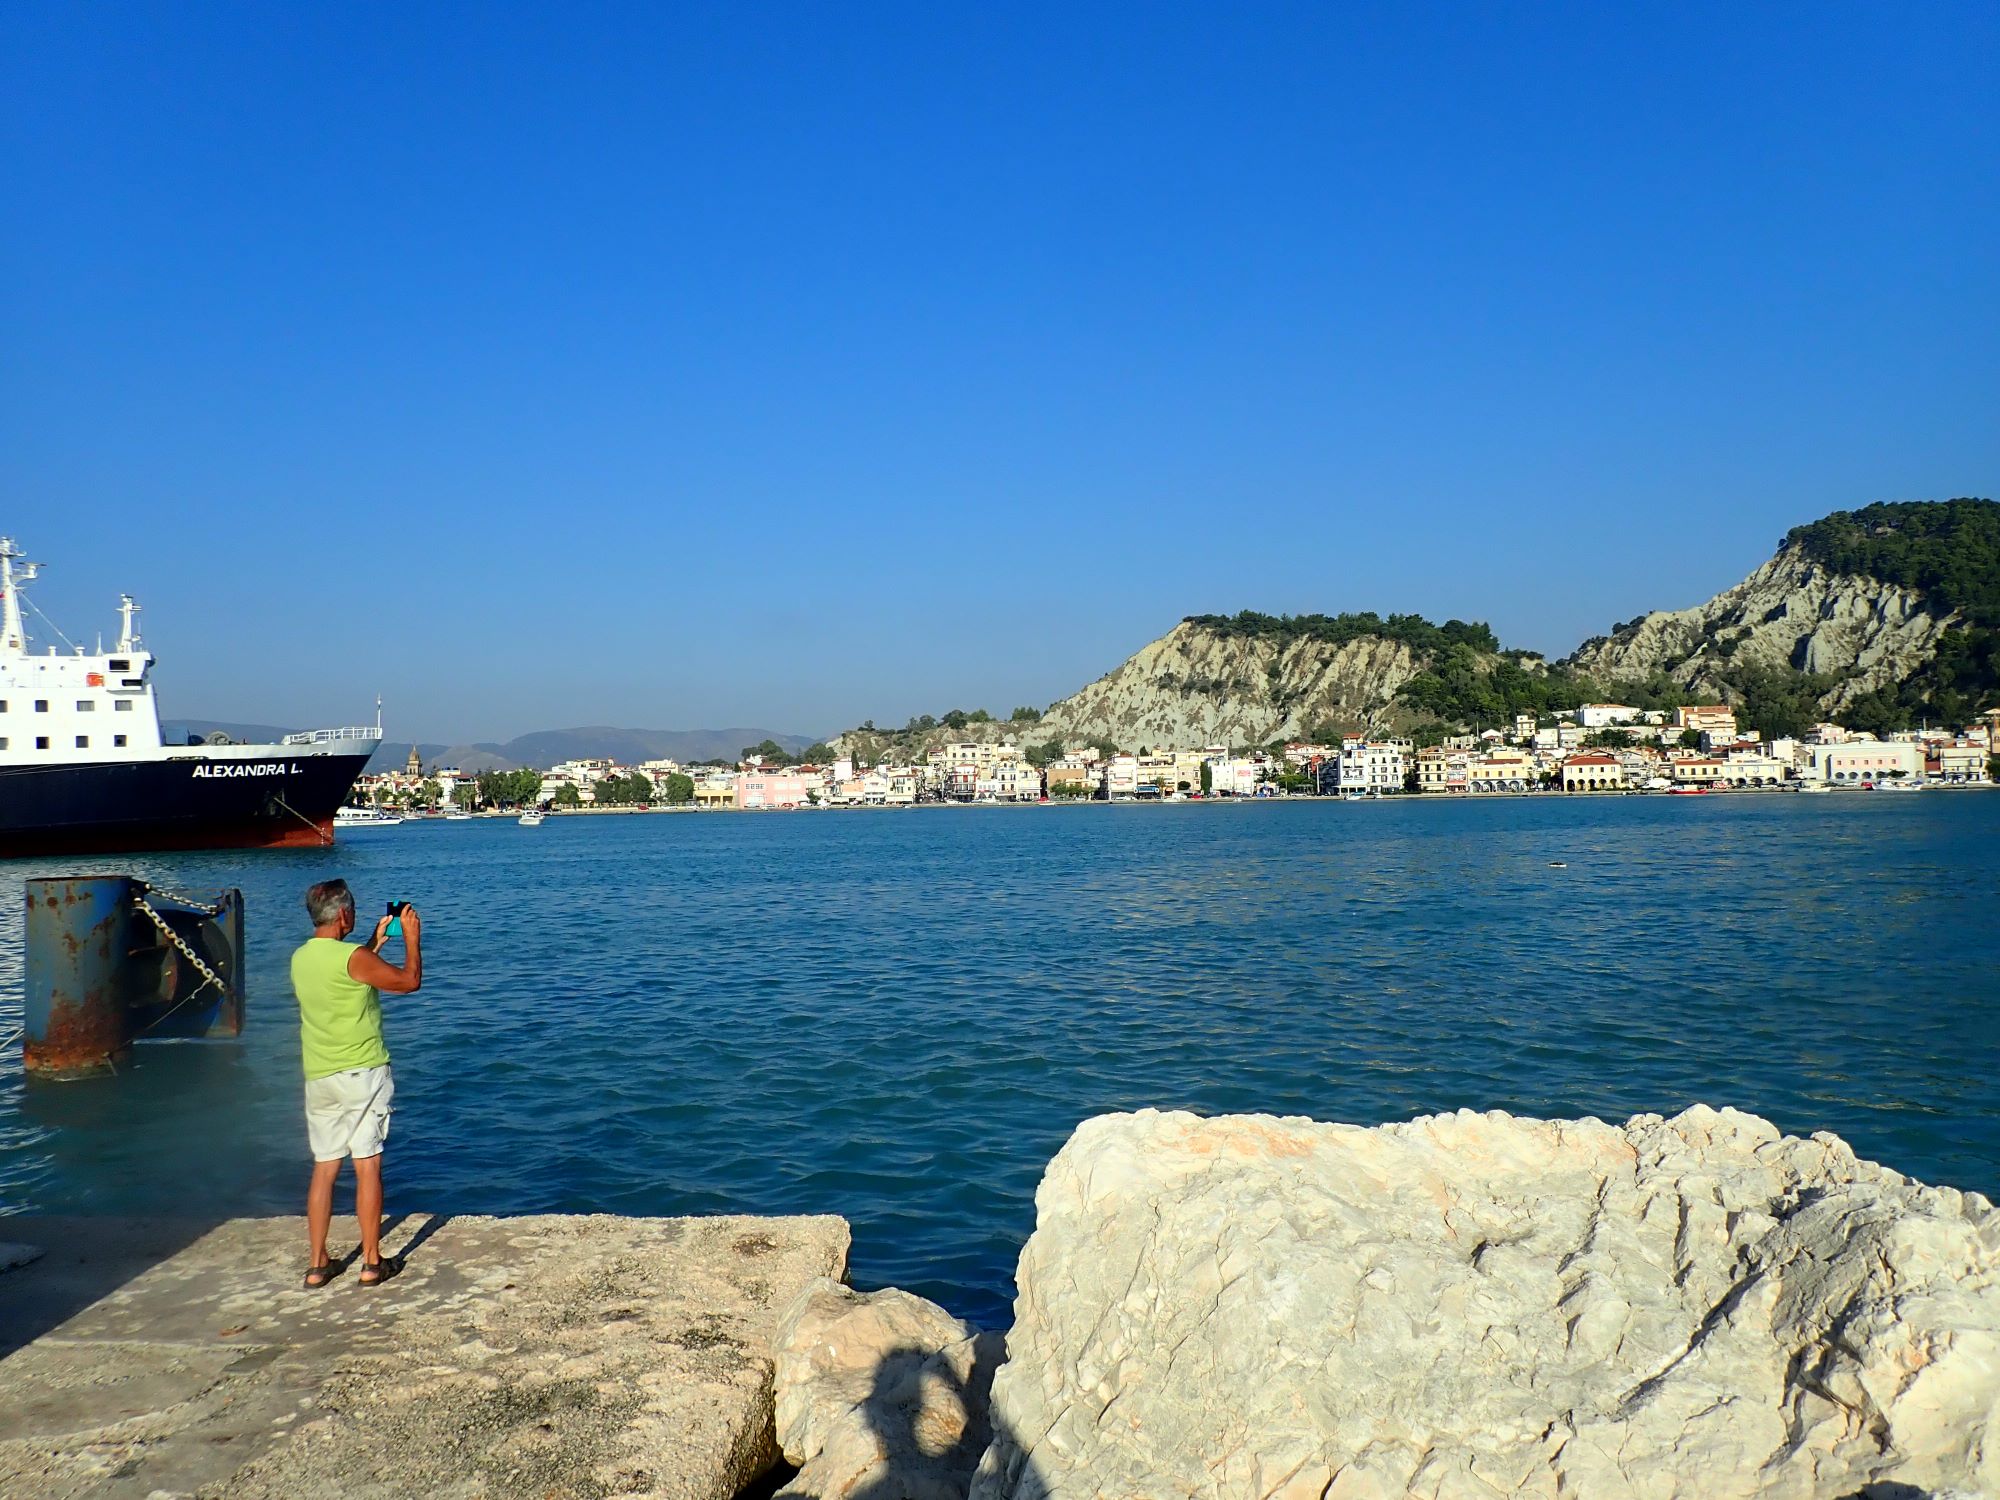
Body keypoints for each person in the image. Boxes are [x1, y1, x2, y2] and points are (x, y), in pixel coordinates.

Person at [291, 878, 422, 1288]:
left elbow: (346, 976)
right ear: (344, 914)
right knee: (367, 1165)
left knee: (325, 1167)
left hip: (320, 1076)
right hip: (362, 1073)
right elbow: (408, 981)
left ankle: (317, 1265)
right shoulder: (352, 957)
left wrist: (374, 943)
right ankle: (370, 1262)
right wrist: (412, 939)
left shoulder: (301, 957)